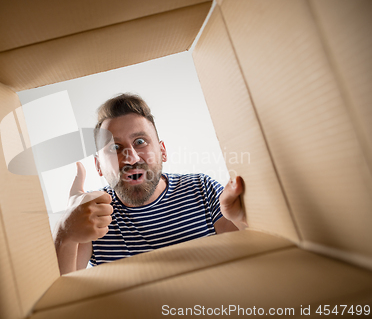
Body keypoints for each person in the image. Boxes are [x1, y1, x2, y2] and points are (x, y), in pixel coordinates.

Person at [53, 94, 247, 275]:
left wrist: (242, 220)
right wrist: (65, 232)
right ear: (98, 166)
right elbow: (58, 293)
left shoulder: (202, 189)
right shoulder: (93, 212)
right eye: (114, 147)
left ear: (162, 151)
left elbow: (253, 259)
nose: (131, 158)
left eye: (140, 141)